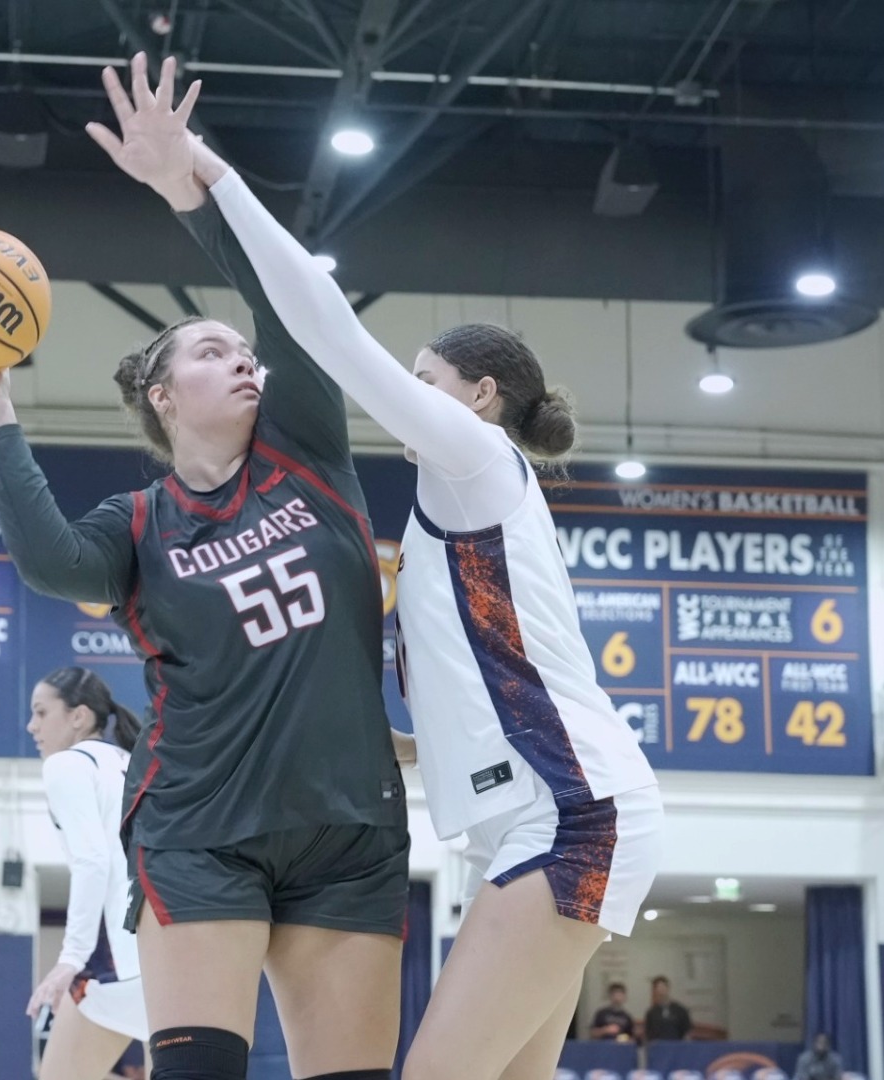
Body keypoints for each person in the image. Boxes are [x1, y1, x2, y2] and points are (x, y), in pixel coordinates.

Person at [146, 67, 665, 1080]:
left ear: (478, 395)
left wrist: (209, 175)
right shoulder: (449, 516)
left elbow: (328, 329)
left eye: (425, 381)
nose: (409, 396)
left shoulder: (476, 459)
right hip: (533, 820)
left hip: (569, 816)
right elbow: (485, 696)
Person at [0, 52, 410, 1080]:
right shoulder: (138, 523)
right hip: (199, 827)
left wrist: (190, 184)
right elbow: (52, 562)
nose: (243, 358)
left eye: (244, 351)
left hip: (349, 827)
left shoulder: (307, 451)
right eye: (211, 352)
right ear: (164, 397)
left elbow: (285, 297)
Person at [24, 667, 148, 1078]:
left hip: (118, 956)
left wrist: (71, 958)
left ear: (78, 716)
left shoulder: (66, 764)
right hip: (168, 950)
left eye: (41, 712)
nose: (32, 726)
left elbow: (92, 861)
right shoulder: (132, 761)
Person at [644, 977, 693, 1042]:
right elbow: (648, 1035)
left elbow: (687, 1033)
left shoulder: (680, 1010)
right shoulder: (651, 1013)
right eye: (657, 988)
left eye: (662, 987)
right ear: (655, 991)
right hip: (658, 1046)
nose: (660, 991)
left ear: (668, 988)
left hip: (676, 1045)